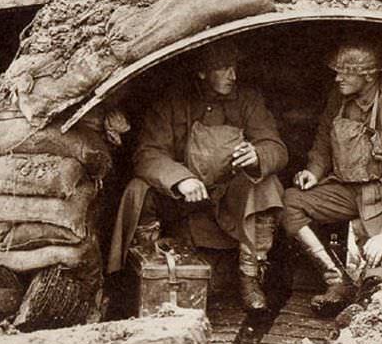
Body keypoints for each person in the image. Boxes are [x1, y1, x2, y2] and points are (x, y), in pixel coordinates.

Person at [108, 39, 286, 311]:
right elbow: (148, 153)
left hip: (228, 198)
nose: (233, 76)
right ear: (202, 72)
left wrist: (258, 155)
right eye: (224, 68)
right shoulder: (172, 102)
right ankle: (153, 273)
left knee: (267, 185)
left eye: (235, 67)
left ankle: (249, 277)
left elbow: (275, 146)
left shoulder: (248, 100)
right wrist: (180, 179)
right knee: (138, 190)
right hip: (185, 201)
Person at [283, 38, 382, 315]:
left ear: (369, 75)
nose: (337, 77)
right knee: (292, 202)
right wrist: (314, 171)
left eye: (346, 71)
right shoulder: (340, 95)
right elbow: (324, 139)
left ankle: (367, 300)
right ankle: (337, 282)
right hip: (347, 187)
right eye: (337, 70)